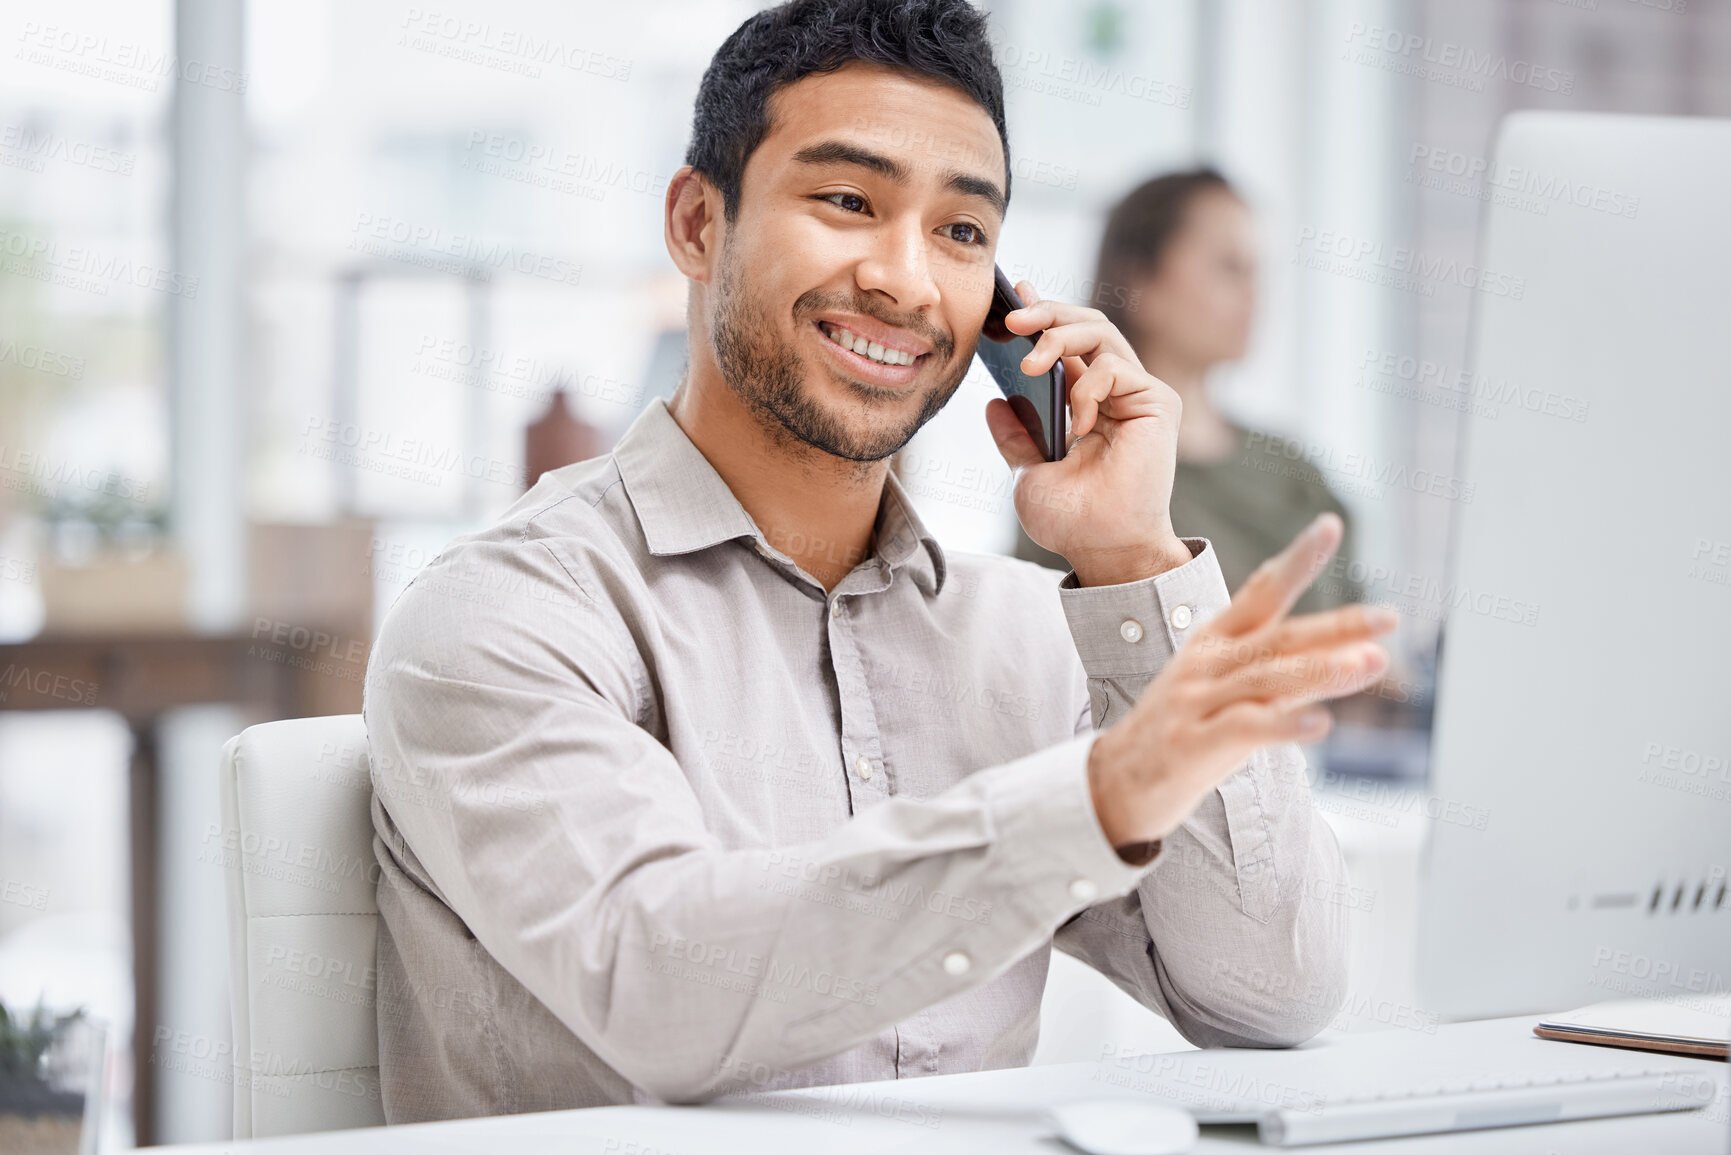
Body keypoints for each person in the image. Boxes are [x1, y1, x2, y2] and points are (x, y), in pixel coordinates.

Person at [363, 0, 1393, 1125]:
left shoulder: (1023, 633)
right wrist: (1089, 802)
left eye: (962, 233)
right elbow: (659, 986)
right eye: (849, 201)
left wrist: (1130, 556)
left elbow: (1272, 998)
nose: (907, 282)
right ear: (698, 223)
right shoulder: (501, 617)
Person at [1016, 170, 1363, 615]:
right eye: (1229, 268)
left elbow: (1366, 644)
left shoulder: (1296, 473)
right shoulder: (1078, 474)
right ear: (1140, 281)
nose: (1255, 296)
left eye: (1256, 271)